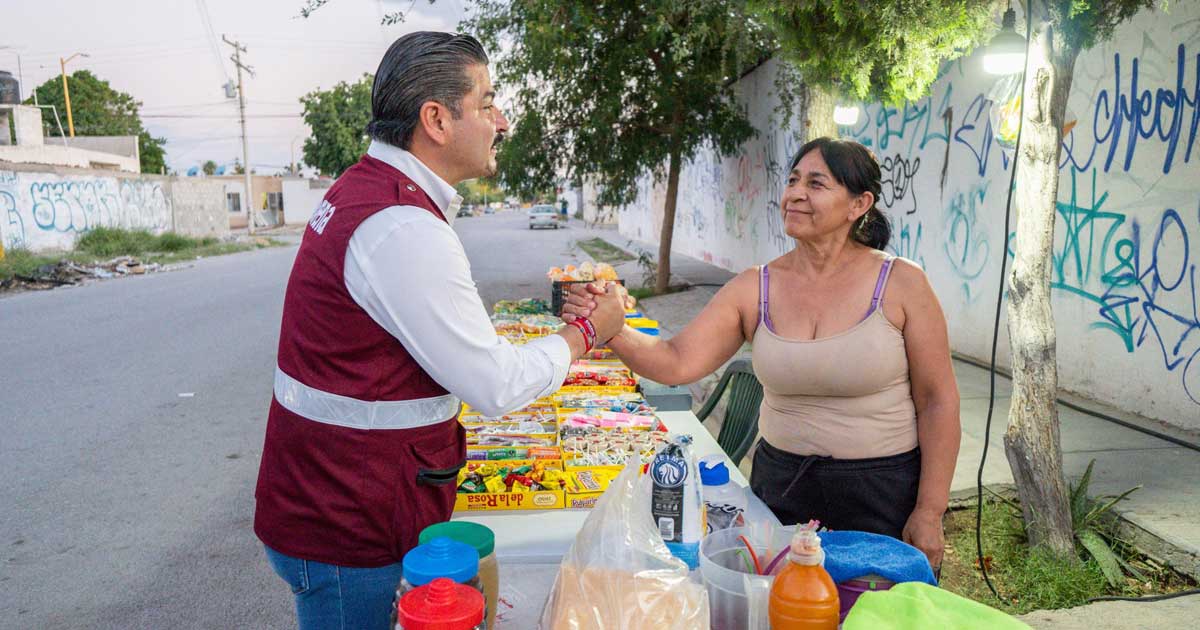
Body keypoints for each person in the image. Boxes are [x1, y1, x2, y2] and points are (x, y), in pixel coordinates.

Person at [253, 31, 626, 630]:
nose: (500, 120)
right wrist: (589, 330)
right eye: (486, 103)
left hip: (337, 497)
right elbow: (495, 385)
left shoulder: (370, 190)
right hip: (348, 522)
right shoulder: (402, 225)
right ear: (437, 119)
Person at [564, 137, 960, 570]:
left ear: (858, 204)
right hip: (782, 490)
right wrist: (614, 329)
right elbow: (677, 361)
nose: (795, 193)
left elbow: (937, 400)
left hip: (883, 493)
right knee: (781, 609)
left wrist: (929, 511)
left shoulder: (902, 283)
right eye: (792, 180)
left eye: (816, 183)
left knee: (875, 615)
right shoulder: (756, 286)